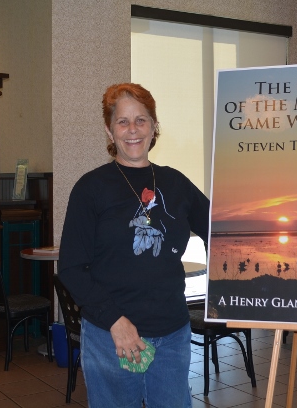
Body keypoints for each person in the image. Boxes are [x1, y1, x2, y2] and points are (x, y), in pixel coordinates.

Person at [58, 82, 209, 407]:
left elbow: (220, 229)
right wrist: (114, 320)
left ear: (154, 126)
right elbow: (71, 268)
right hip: (111, 335)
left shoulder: (176, 183)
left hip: (172, 333)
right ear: (110, 132)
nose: (133, 130)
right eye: (122, 121)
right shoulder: (91, 189)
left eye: (141, 120)